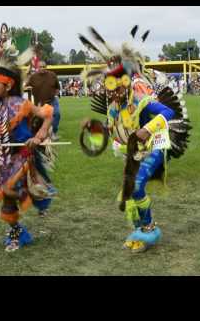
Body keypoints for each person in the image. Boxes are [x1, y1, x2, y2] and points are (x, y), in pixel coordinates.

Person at [79, 26, 190, 253]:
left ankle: (150, 229)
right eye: (108, 86)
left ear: (125, 83)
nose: (111, 91)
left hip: (155, 145)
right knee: (129, 191)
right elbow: (115, 131)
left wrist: (148, 129)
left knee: (137, 185)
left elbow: (168, 113)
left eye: (115, 85)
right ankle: (139, 230)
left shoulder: (140, 97)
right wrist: (94, 127)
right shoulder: (113, 107)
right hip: (131, 151)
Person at [0, 48, 56, 252]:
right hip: (3, 160)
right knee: (7, 198)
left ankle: (21, 225)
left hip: (22, 156)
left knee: (9, 190)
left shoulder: (22, 104)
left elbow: (47, 115)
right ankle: (18, 232)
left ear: (8, 84)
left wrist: (37, 137)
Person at [25, 61, 61, 140]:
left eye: (44, 67)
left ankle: (53, 133)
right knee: (39, 119)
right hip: (39, 103)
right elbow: (25, 86)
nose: (42, 68)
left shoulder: (52, 75)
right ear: (37, 68)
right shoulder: (33, 77)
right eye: (40, 67)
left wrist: (56, 93)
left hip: (52, 100)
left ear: (46, 67)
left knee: (57, 114)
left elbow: (57, 87)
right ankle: (38, 133)